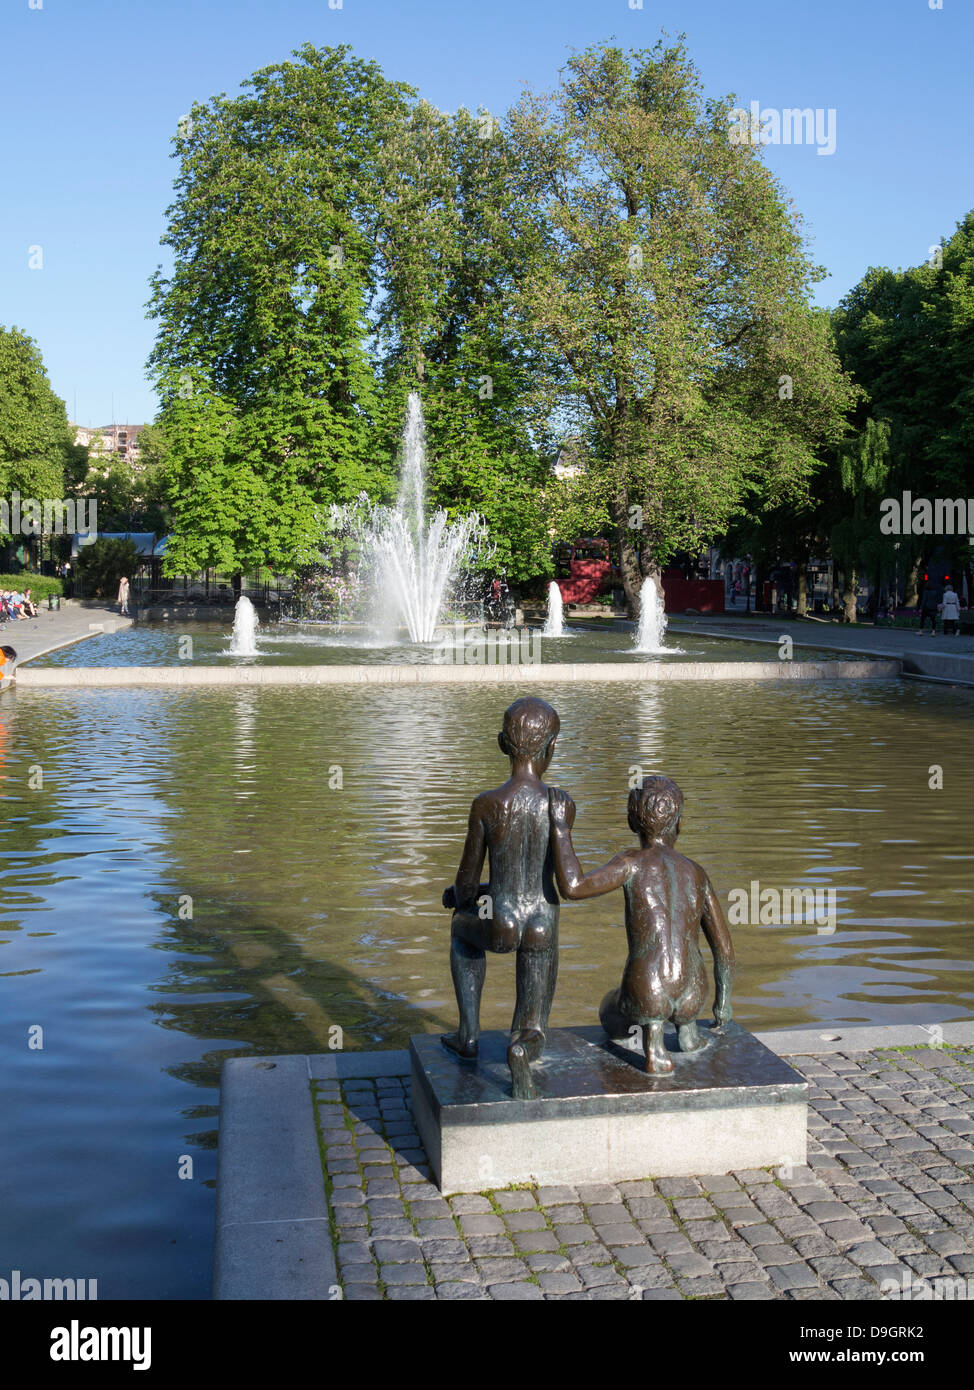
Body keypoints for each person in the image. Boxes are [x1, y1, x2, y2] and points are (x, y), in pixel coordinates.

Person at [548, 775, 734, 1076]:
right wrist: (723, 1003)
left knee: (610, 1011)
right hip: (694, 992)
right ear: (680, 823)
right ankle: (687, 1032)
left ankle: (654, 1047)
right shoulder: (697, 874)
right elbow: (723, 948)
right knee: (684, 982)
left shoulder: (630, 863)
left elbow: (573, 886)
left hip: (648, 988)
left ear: (632, 821)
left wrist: (561, 829)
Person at [442, 697, 564, 1099]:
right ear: (551, 749)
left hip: (501, 918)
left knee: (461, 930)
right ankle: (522, 1048)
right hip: (542, 922)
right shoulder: (559, 805)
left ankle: (469, 1035)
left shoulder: (487, 805)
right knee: (533, 1024)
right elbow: (562, 880)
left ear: (500, 743)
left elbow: (465, 883)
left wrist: (462, 897)